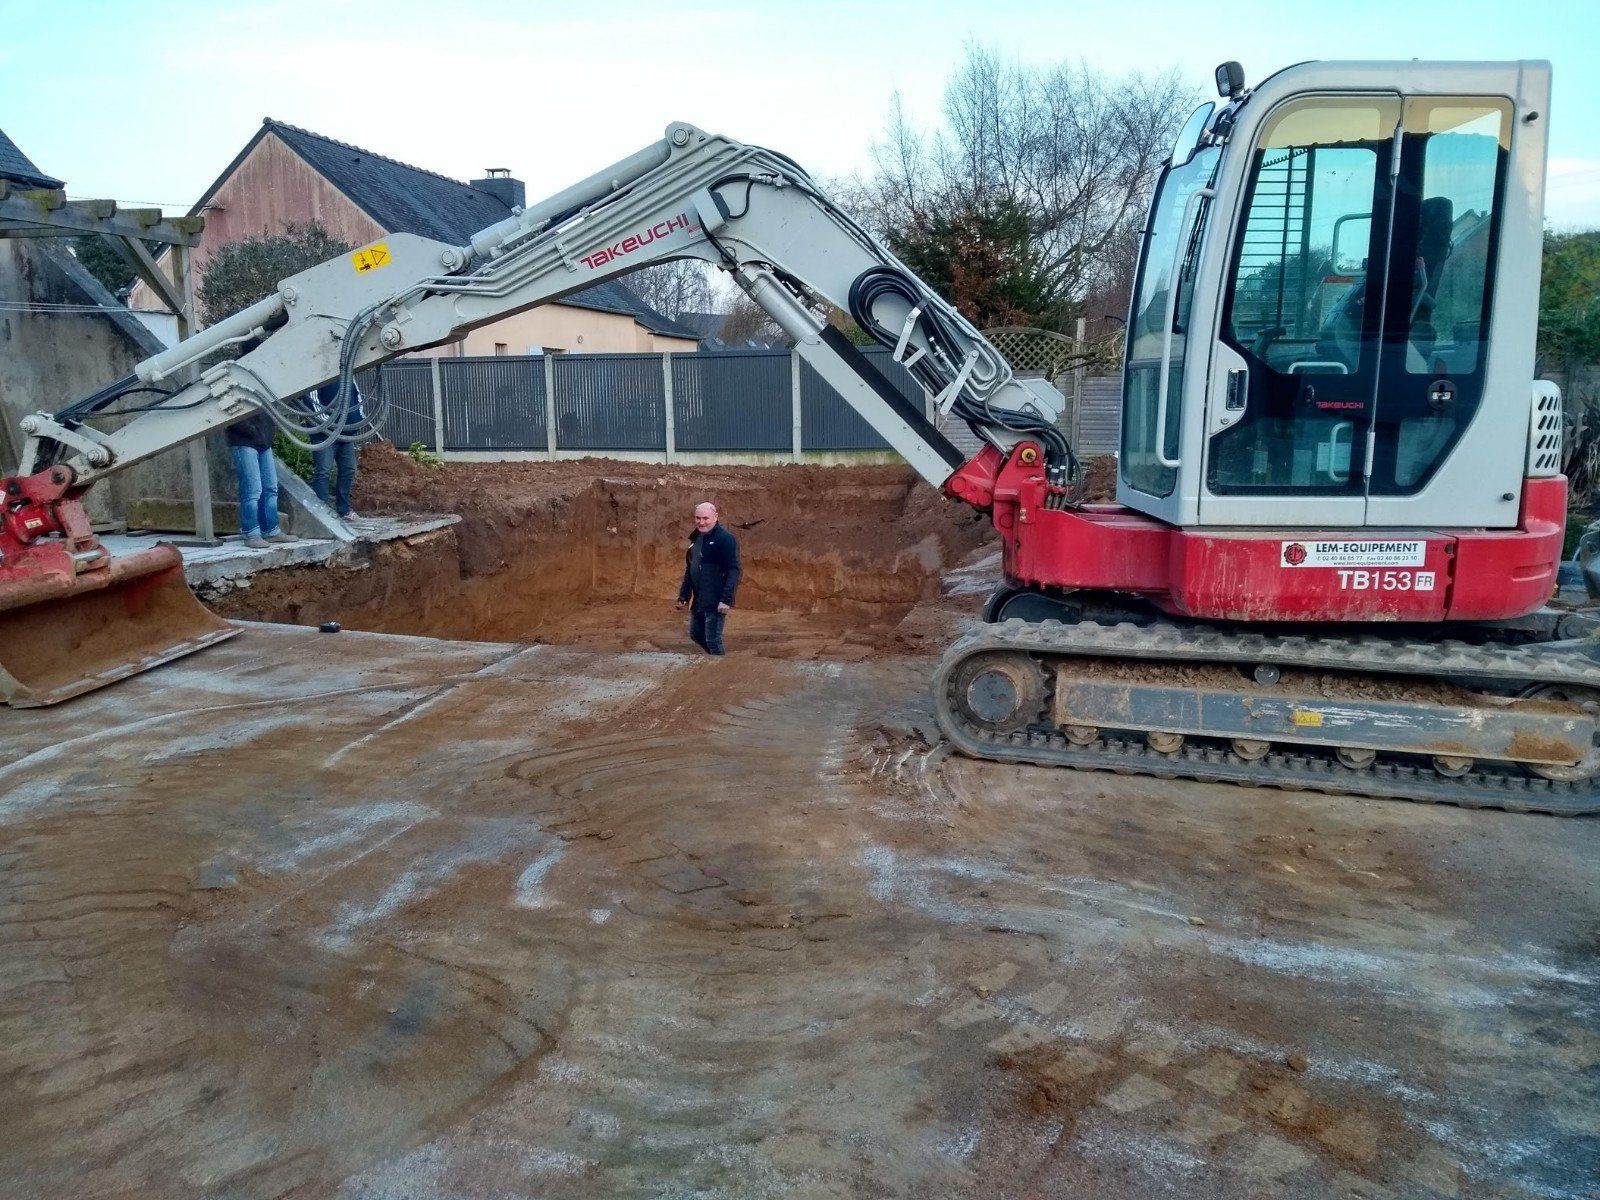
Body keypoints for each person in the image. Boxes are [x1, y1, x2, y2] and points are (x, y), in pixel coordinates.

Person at [676, 501, 740, 655]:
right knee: (696, 634)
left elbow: (733, 570)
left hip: (716, 598)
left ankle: (719, 668)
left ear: (715, 517)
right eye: (698, 518)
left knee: (712, 638)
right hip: (699, 598)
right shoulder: (696, 538)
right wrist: (684, 595)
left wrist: (726, 599)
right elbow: (690, 568)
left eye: (705, 518)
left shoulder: (725, 539)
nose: (701, 522)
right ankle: (714, 661)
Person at [226, 409, 294, 549]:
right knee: (252, 490)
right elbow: (229, 411)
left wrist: (266, 433)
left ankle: (271, 530)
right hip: (244, 440)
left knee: (271, 488)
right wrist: (250, 430)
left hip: (263, 440)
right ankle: (251, 533)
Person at [309, 379, 366, 520]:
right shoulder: (316, 375)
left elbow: (357, 395)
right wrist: (331, 425)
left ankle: (343, 509)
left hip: (345, 433)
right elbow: (312, 403)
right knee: (323, 471)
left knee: (348, 469)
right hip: (324, 434)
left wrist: (358, 417)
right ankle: (322, 512)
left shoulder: (347, 374)